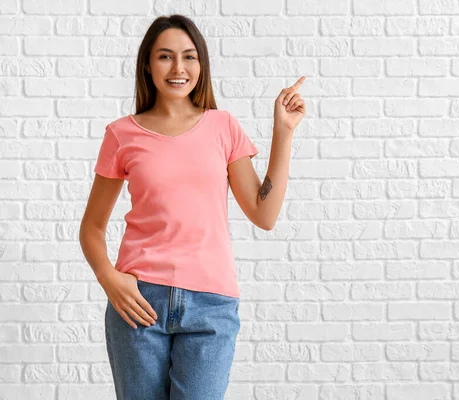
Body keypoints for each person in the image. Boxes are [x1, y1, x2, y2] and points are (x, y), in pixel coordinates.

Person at [78, 14, 306, 400]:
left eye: (189, 57)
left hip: (211, 307)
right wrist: (108, 278)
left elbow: (263, 214)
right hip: (139, 303)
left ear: (202, 64)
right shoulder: (122, 134)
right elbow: (92, 227)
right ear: (147, 66)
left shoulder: (223, 126)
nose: (179, 68)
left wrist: (283, 131)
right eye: (165, 56)